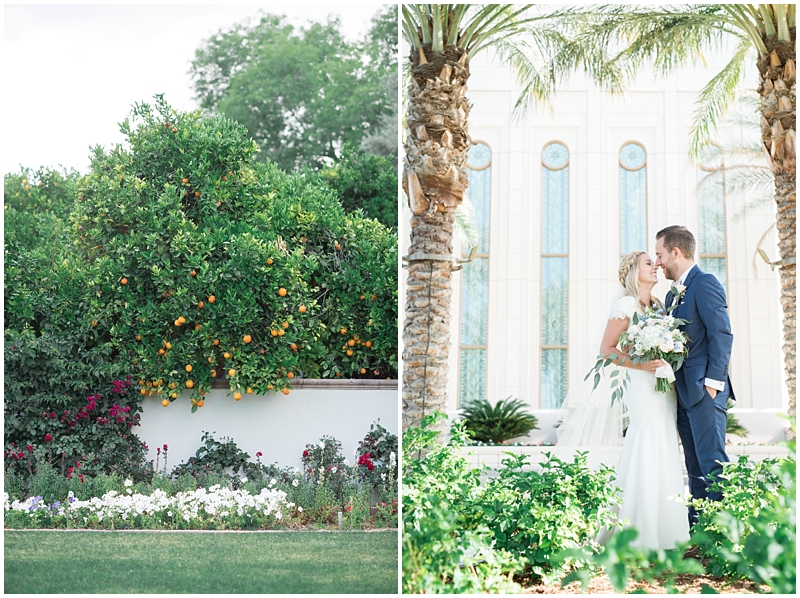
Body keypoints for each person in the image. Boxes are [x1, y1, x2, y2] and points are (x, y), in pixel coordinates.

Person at [557, 250, 689, 550]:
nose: (656, 266)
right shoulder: (626, 305)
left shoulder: (657, 305)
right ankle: (638, 533)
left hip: (662, 387)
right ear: (632, 270)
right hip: (641, 386)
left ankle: (666, 532)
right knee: (646, 442)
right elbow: (607, 350)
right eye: (648, 263)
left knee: (664, 444)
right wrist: (644, 365)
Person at [654, 225, 733, 530]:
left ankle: (723, 534)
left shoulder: (705, 283)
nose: (658, 262)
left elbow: (721, 334)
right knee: (694, 467)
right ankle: (699, 532)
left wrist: (714, 384)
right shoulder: (672, 297)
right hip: (683, 394)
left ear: (676, 251)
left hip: (704, 391)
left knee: (713, 463)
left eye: (660, 254)